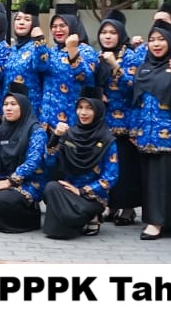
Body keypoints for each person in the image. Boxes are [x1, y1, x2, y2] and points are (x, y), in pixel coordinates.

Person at [130, 21, 171, 240]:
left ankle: (157, 222)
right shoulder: (144, 67)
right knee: (150, 180)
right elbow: (137, 101)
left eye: (161, 40)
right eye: (152, 40)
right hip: (146, 133)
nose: (156, 44)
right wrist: (134, 129)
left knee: (166, 179)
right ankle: (164, 220)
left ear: (170, 42)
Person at [41, 87, 119, 239]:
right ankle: (79, 219)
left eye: (89, 108)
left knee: (64, 219)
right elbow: (50, 163)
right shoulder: (69, 134)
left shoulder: (107, 139)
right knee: (51, 187)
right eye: (80, 107)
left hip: (92, 197)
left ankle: (89, 215)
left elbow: (111, 177)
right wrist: (55, 137)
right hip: (68, 193)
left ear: (98, 110)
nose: (83, 112)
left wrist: (82, 191)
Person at [92, 9, 142, 225]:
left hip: (126, 122)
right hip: (104, 122)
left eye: (113, 33)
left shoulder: (131, 56)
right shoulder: (99, 56)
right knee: (107, 166)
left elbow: (134, 85)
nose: (108, 36)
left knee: (126, 167)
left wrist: (115, 65)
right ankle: (111, 206)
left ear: (121, 34)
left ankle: (128, 209)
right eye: (104, 32)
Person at [0, 83, 47, 233]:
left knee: (1, 199)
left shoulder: (36, 131)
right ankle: (3, 222)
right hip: (6, 177)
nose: (8, 108)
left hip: (30, 181)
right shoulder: (0, 130)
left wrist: (10, 181)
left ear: (24, 106)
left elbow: (33, 161)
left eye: (13, 104)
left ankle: (29, 219)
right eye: (5, 104)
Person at [41, 4, 97, 131]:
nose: (57, 30)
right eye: (54, 26)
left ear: (72, 26)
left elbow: (84, 76)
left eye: (62, 26)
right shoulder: (52, 50)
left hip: (71, 121)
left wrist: (72, 50)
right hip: (47, 120)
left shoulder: (86, 50)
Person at [1, 0, 48, 123]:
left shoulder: (36, 47)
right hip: (9, 109)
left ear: (34, 24)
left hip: (29, 110)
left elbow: (41, 66)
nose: (21, 22)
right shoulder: (12, 49)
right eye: (18, 19)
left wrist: (39, 41)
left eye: (27, 19)